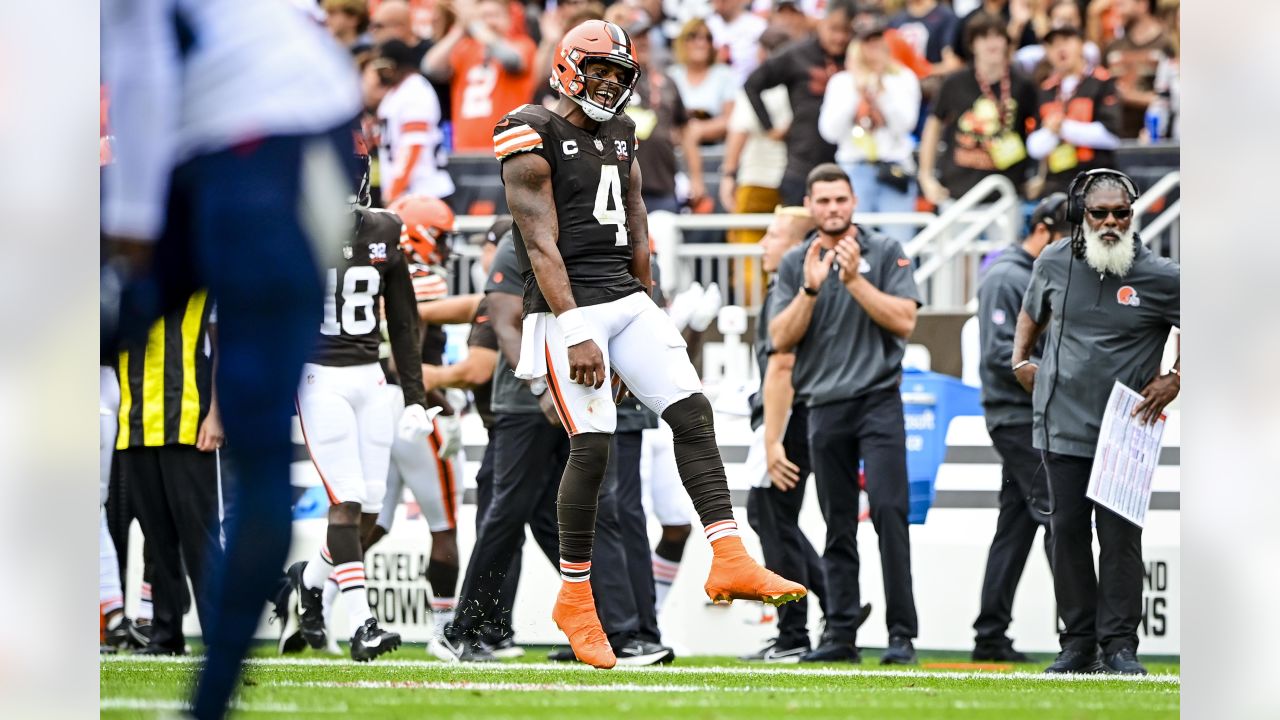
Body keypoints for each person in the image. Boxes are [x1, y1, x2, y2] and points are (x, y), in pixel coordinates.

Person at [491, 18, 805, 669]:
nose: (609, 84)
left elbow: (638, 231)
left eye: (618, 74)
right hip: (564, 310)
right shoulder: (530, 128)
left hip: (627, 298)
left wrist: (651, 315)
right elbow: (539, 241)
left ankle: (729, 554)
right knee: (594, 449)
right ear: (569, 67)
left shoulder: (624, 133)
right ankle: (575, 599)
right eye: (600, 72)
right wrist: (577, 329)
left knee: (693, 412)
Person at [1012, 168, 1180, 675]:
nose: (1110, 221)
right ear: (1079, 215)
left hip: (1125, 430)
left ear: (1134, 215)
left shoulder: (1161, 275)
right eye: (1099, 213)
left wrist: (1176, 377)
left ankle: (1120, 647)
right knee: (1065, 533)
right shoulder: (1053, 261)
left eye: (1120, 213)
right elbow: (1031, 313)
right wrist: (1021, 359)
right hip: (1059, 422)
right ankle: (1077, 643)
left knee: (1120, 539)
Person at [769, 164, 921, 665]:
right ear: (810, 205)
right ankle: (840, 635)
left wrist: (854, 281)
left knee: (889, 515)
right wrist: (811, 290)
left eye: (841, 199)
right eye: (824, 201)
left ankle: (901, 635)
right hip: (823, 407)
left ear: (853, 201)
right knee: (837, 525)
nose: (833, 208)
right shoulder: (796, 262)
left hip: (879, 401)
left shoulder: (885, 251)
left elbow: (905, 321)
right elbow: (779, 340)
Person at [287, 143, 429, 663]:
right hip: (318, 376)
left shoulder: (386, 229)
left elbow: (404, 318)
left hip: (369, 376)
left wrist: (414, 396)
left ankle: (308, 579)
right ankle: (363, 624)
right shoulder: (294, 230)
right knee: (344, 500)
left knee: (368, 510)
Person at [436, 232, 568, 662]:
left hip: (524, 413)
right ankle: (480, 626)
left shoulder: (516, 270)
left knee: (519, 518)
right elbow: (474, 307)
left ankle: (478, 625)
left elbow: (477, 367)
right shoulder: (516, 274)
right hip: (530, 412)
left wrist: (417, 374)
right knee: (527, 519)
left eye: (485, 249)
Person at [970, 192, 1067, 662]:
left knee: (1017, 524)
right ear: (1044, 230)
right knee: (1058, 514)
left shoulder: (1035, 274)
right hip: (1016, 418)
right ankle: (1083, 633)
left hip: (1030, 416)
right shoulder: (1007, 277)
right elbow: (1000, 355)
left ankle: (990, 635)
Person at [741, 206, 833, 662]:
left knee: (771, 515)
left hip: (789, 421)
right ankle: (836, 609)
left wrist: (773, 432)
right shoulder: (786, 287)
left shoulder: (796, 290)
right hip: (785, 418)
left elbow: (786, 364)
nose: (763, 244)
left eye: (773, 235)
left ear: (798, 246)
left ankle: (795, 631)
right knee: (775, 518)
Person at [373, 193, 466, 645]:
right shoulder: (420, 278)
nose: (445, 248)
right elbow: (405, 356)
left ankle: (314, 588)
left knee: (375, 520)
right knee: (445, 525)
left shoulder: (377, 271)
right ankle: (442, 632)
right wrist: (440, 401)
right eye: (441, 238)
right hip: (415, 408)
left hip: (382, 405)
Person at [817, 18, 922, 245]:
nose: (873, 48)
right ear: (856, 46)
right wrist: (859, 88)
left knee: (899, 246)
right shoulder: (841, 82)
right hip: (854, 169)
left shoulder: (903, 78)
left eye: (877, 40)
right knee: (852, 244)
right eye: (867, 42)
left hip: (894, 169)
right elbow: (829, 131)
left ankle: (899, 280)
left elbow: (906, 125)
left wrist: (881, 90)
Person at [918, 12, 1039, 206]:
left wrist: (1039, 175)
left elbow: (1042, 129)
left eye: (998, 36)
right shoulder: (954, 82)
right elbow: (933, 127)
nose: (992, 43)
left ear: (1006, 42)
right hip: (957, 192)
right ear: (972, 44)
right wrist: (926, 177)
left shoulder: (1023, 85)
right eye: (984, 37)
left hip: (1005, 195)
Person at [742, 1, 852, 205]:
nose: (839, 37)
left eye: (846, 31)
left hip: (848, 161)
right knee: (798, 232)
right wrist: (770, 128)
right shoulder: (797, 54)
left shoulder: (855, 56)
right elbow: (752, 84)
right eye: (834, 29)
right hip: (803, 164)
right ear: (820, 23)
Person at [423, 0, 538, 153]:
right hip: (465, 151)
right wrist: (460, 29)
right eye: (483, 17)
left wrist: (476, 26)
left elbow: (511, 60)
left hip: (511, 149)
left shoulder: (522, 45)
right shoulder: (465, 48)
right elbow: (430, 68)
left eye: (495, 15)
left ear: (509, 19)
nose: (489, 22)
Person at [1026, 26, 1122, 197]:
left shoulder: (1102, 82)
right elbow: (1034, 146)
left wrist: (1063, 128)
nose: (1061, 49)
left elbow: (1112, 136)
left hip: (1096, 182)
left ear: (1081, 45)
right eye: (1053, 44)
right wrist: (1051, 131)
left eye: (1067, 41)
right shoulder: (1046, 89)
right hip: (1057, 185)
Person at [370, 40, 455, 205]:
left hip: (424, 193)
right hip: (408, 194)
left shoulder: (415, 91)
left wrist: (394, 191)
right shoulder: (396, 92)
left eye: (382, 68)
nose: (379, 74)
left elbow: (413, 145)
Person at [1101, 0, 1175, 139]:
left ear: (1143, 4)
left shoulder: (1167, 43)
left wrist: (1134, 97)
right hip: (1120, 136)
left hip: (1160, 137)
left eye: (1122, 3)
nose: (1117, 6)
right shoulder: (1113, 46)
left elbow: (1176, 95)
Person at [668, 18, 739, 146]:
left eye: (707, 38)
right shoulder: (672, 75)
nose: (701, 43)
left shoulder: (724, 74)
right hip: (678, 147)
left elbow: (731, 119)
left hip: (717, 148)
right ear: (683, 42)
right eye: (693, 37)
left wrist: (699, 129)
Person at [705, 0, 768, 85]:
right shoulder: (706, 26)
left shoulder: (758, 26)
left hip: (748, 87)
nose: (720, 3)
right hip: (715, 88)